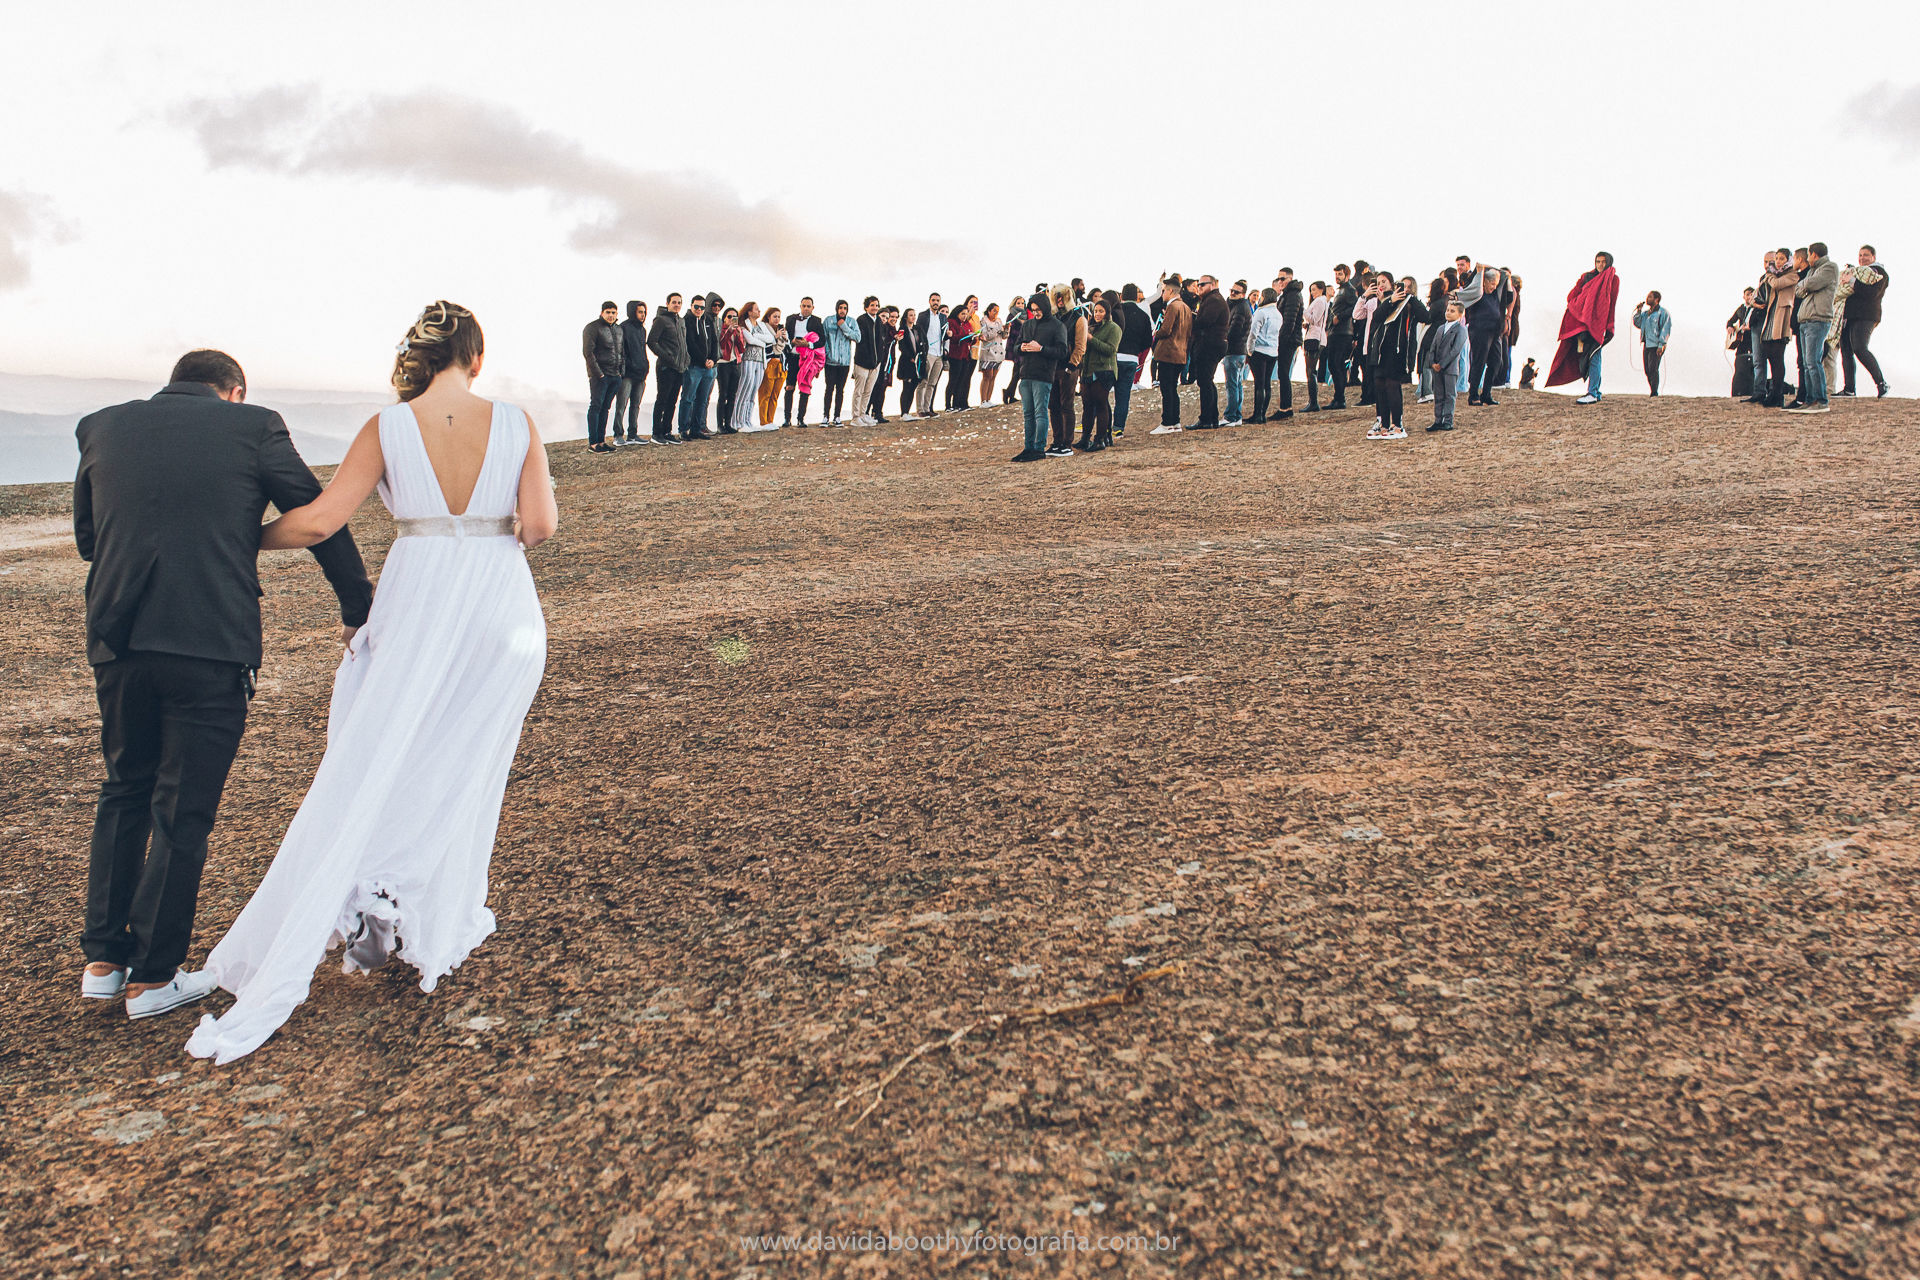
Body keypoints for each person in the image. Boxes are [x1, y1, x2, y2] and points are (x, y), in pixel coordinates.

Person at [185, 301, 554, 1064]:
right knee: (461, 764)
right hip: (499, 602)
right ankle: (402, 892)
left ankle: (374, 890)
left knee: (376, 749)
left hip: (418, 593)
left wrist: (238, 541)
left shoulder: (386, 428)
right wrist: (488, 529)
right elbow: (541, 526)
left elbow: (319, 522)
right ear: (477, 359)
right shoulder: (517, 423)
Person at [72, 348, 375, 1019]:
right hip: (209, 642)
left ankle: (103, 963)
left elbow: (90, 539)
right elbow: (319, 516)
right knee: (182, 809)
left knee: (124, 786)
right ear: (233, 392)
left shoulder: (101, 425)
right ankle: (154, 978)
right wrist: (358, 606)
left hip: (119, 640)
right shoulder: (255, 427)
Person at [1547, 252, 1620, 405]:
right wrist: (1581, 307)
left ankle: (1592, 392)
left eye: (1603, 262)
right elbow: (1571, 296)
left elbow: (1610, 303)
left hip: (1599, 323)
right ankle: (1595, 391)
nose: (1600, 265)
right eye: (1597, 262)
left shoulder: (1613, 279)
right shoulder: (1586, 277)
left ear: (1609, 263)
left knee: (1594, 355)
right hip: (1583, 323)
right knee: (1592, 355)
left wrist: (1608, 325)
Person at [1362, 276, 1428, 441]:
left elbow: (1426, 317)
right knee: (1379, 385)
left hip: (1398, 351)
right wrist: (1390, 300)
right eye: (1378, 283)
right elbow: (1377, 317)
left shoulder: (1410, 303)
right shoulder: (1385, 301)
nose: (1381, 285)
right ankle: (1384, 424)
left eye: (1406, 286)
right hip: (1380, 351)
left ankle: (1397, 425)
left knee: (1392, 385)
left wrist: (1411, 297)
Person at [1013, 293, 1068, 462]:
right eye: (1033, 310)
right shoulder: (1027, 324)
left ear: (1045, 308)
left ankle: (1039, 447)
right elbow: (1015, 346)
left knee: (1040, 412)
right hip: (1026, 374)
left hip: (1043, 375)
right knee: (1027, 413)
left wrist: (1041, 348)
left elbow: (1062, 351)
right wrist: (1021, 347)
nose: (1035, 313)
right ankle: (1028, 447)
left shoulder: (1057, 326)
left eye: (1038, 310)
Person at [1785, 242, 1838, 414]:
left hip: (1818, 319)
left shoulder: (1830, 268)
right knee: (1807, 363)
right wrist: (1806, 285)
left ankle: (1821, 400)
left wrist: (1806, 285)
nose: (1807, 259)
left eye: (1809, 255)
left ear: (1814, 254)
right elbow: (1799, 290)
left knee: (1813, 361)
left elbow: (1809, 285)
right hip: (1806, 320)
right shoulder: (1814, 271)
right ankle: (1809, 400)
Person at [1840, 246, 1889, 398]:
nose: (1862, 258)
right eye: (1860, 255)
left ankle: (1881, 383)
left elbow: (1871, 293)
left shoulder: (1879, 273)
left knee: (1860, 348)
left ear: (1873, 257)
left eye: (1866, 255)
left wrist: (1852, 281)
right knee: (1846, 350)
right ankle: (1849, 388)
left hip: (1866, 315)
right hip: (1849, 316)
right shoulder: (1858, 272)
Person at [1076, 298, 1122, 451]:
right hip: (1088, 370)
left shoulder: (1114, 328)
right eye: (1096, 311)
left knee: (1101, 403)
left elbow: (1110, 349)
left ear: (1107, 312)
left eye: (1101, 311)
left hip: (1104, 371)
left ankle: (1100, 439)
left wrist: (1091, 339)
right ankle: (1085, 438)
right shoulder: (1090, 327)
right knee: (1087, 406)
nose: (1097, 314)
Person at [1048, 285, 1087, 454]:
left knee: (1066, 405)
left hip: (1068, 368)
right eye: (1056, 298)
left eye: (1062, 297)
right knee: (1053, 405)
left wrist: (1072, 365)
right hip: (1052, 367)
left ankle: (1066, 442)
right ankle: (1057, 440)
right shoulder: (1052, 318)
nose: (1059, 301)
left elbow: (1080, 345)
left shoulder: (1079, 318)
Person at [1464, 268, 1511, 406]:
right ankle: (1473, 395)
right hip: (1479, 331)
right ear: (1484, 281)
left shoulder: (1496, 293)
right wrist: (1480, 271)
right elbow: (1469, 282)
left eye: (1495, 284)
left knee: (1497, 362)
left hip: (1494, 332)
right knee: (1478, 362)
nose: (1494, 287)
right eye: (1491, 284)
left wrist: (1504, 276)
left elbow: (1506, 285)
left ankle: (1486, 394)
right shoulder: (1476, 292)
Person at [1188, 275, 1230, 429]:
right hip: (1212, 343)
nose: (1199, 287)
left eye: (1202, 285)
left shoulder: (1214, 300)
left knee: (1205, 381)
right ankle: (1211, 418)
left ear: (1212, 284)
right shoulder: (1213, 299)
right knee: (1207, 381)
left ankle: (1206, 419)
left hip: (1210, 344)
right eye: (1198, 285)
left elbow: (1205, 322)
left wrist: (1191, 319)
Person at [581, 301, 624, 453]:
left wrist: (621, 372)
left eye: (613, 312)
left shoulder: (618, 329)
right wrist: (599, 374)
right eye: (608, 312)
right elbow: (588, 353)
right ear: (602, 313)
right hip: (600, 376)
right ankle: (593, 443)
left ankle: (601, 441)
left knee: (605, 408)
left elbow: (621, 352)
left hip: (615, 375)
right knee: (596, 406)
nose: (611, 315)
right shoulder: (592, 328)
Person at [1151, 279, 1192, 433]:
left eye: (1163, 291)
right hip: (1181, 352)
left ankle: (1167, 422)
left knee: (1166, 389)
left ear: (1170, 291)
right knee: (1172, 389)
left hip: (1168, 353)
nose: (1162, 294)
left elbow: (1166, 330)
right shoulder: (1186, 307)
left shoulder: (1173, 306)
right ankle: (1175, 422)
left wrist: (1156, 333)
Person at [647, 293, 688, 442]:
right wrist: (667, 357)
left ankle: (667, 432)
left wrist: (686, 360)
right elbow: (651, 342)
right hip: (666, 367)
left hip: (680, 368)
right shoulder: (661, 320)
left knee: (672, 401)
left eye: (679, 302)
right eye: (674, 302)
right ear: (667, 303)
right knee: (662, 400)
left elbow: (684, 343)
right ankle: (656, 433)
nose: (677, 305)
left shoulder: (680, 321)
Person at [1114, 284, 1152, 436]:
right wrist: (1136, 350)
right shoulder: (1143, 315)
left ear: (1121, 296)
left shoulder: (1116, 313)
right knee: (1123, 395)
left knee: (1103, 393)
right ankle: (1118, 428)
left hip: (1114, 357)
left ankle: (1103, 426)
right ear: (1137, 297)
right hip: (1131, 359)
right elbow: (1148, 340)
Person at [679, 294, 719, 439]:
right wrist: (704, 360)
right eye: (696, 307)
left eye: (702, 307)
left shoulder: (707, 320)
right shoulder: (686, 321)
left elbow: (714, 341)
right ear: (691, 306)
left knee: (702, 399)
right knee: (688, 398)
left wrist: (713, 360)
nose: (699, 310)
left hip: (709, 367)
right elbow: (690, 343)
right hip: (694, 366)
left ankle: (697, 429)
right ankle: (683, 429)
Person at [1425, 301, 1468, 432]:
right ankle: (1438, 420)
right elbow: (1432, 347)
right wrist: (1432, 363)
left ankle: (1448, 420)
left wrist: (1442, 364)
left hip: (1450, 368)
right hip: (1436, 367)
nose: (1448, 313)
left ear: (1460, 314)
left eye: (1452, 311)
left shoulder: (1461, 330)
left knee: (1449, 395)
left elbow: (1455, 351)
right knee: (1438, 394)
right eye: (1448, 310)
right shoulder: (1440, 328)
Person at [784, 298, 826, 426]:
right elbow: (785, 336)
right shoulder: (790, 319)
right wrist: (791, 342)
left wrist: (808, 344)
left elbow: (822, 340)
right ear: (800, 306)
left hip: (808, 359)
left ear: (813, 308)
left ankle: (801, 419)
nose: (806, 308)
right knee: (789, 387)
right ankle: (787, 419)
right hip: (792, 356)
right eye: (804, 306)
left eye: (808, 306)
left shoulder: (817, 321)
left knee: (805, 388)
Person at [731, 302, 772, 432]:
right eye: (756, 309)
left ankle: (747, 420)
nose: (759, 311)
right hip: (748, 359)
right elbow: (750, 340)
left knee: (753, 391)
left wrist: (758, 337)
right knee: (744, 390)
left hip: (760, 360)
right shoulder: (743, 325)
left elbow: (771, 339)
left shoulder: (760, 325)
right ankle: (738, 422)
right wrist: (762, 342)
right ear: (749, 311)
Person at [613, 300, 650, 445]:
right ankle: (618, 434)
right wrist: (623, 369)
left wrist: (645, 366)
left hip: (641, 373)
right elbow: (620, 351)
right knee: (621, 405)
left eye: (644, 312)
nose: (643, 315)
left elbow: (642, 350)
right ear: (632, 312)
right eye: (640, 312)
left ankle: (633, 434)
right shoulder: (623, 328)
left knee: (636, 404)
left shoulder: (642, 329)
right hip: (627, 374)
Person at [851, 296, 887, 427]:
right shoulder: (861, 320)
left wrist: (878, 360)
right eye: (872, 305)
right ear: (866, 307)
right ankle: (855, 417)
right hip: (862, 362)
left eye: (877, 305)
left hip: (876, 363)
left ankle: (863, 414)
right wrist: (868, 358)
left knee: (868, 390)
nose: (875, 308)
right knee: (859, 390)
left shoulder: (878, 321)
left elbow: (880, 341)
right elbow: (862, 341)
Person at [1221, 280, 1253, 426]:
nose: (1232, 293)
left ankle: (1231, 416)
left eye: (1236, 292)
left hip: (1234, 350)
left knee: (1232, 384)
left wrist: (1223, 337)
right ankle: (1236, 415)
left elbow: (1234, 329)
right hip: (1240, 351)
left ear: (1243, 294)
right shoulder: (1240, 305)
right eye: (1231, 290)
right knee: (1237, 383)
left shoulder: (1241, 308)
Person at [1326, 265, 1357, 409]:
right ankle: (1337, 397)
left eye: (1340, 274)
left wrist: (1340, 317)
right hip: (1335, 332)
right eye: (1336, 274)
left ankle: (1340, 399)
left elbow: (1354, 308)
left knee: (1338, 364)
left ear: (1347, 275)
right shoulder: (1341, 290)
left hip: (1343, 333)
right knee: (1333, 364)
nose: (1337, 276)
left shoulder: (1350, 290)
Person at [912, 293, 947, 419]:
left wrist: (948, 334)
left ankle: (927, 408)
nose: (935, 302)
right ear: (929, 301)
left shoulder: (943, 317)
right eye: (933, 300)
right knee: (923, 382)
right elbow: (918, 333)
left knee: (932, 383)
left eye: (938, 300)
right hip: (928, 353)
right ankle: (920, 409)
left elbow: (943, 334)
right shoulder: (923, 316)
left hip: (939, 353)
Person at [823, 300, 857, 426]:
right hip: (830, 362)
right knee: (829, 389)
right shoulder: (828, 321)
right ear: (836, 308)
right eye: (840, 308)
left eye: (845, 308)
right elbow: (824, 339)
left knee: (840, 390)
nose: (842, 310)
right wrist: (828, 354)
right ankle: (825, 416)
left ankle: (837, 416)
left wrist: (844, 327)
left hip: (844, 363)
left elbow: (857, 337)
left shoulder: (851, 322)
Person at [1632, 291, 1671, 396]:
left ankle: (1654, 392)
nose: (1647, 298)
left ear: (1656, 299)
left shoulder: (1663, 313)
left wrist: (1661, 345)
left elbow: (1665, 329)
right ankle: (1653, 390)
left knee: (1653, 368)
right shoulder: (1645, 314)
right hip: (1647, 344)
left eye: (1650, 297)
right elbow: (1637, 323)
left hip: (1657, 345)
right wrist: (1639, 311)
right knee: (1647, 369)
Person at [945, 301, 980, 411]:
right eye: (962, 314)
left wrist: (973, 338)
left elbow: (968, 341)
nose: (964, 316)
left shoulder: (967, 324)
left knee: (962, 380)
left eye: (966, 314)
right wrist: (966, 336)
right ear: (957, 313)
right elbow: (954, 338)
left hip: (965, 355)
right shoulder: (951, 322)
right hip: (955, 355)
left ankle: (957, 403)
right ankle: (948, 405)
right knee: (953, 380)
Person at [714, 307, 743, 433]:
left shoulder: (737, 330)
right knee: (723, 394)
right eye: (729, 317)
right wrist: (729, 332)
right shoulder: (721, 329)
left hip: (734, 362)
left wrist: (738, 334)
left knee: (732, 395)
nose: (732, 319)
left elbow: (741, 348)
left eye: (734, 317)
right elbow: (720, 343)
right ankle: (720, 425)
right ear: (724, 318)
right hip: (723, 363)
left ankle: (728, 423)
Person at [759, 307, 790, 426]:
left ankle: (770, 420)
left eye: (778, 317)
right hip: (770, 363)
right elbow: (765, 347)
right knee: (765, 394)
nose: (777, 319)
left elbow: (788, 349)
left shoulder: (782, 330)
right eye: (774, 316)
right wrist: (775, 337)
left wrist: (786, 339)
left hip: (782, 365)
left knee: (775, 395)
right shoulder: (764, 329)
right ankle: (763, 421)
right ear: (768, 317)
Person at [1302, 281, 1329, 412]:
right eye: (1311, 290)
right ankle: (1312, 401)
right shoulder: (1322, 301)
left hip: (1315, 338)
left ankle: (1313, 402)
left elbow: (1315, 319)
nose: (1312, 293)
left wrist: (1304, 312)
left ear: (1321, 290)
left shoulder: (1319, 301)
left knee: (1310, 370)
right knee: (1310, 370)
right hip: (1316, 336)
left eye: (1314, 290)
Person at [977, 303, 1008, 405]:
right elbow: (986, 336)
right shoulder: (983, 321)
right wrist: (997, 329)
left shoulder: (998, 321)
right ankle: (983, 400)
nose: (996, 313)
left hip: (998, 352)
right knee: (987, 376)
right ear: (989, 311)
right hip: (988, 352)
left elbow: (1004, 336)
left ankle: (988, 399)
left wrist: (1006, 329)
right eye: (994, 310)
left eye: (997, 311)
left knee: (993, 376)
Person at [895, 307, 923, 420]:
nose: (913, 317)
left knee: (913, 387)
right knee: (906, 387)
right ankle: (904, 412)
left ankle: (908, 411)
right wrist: (911, 357)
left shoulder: (917, 329)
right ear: (906, 317)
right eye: (911, 315)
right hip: (907, 362)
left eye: (914, 315)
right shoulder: (902, 329)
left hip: (918, 362)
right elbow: (901, 346)